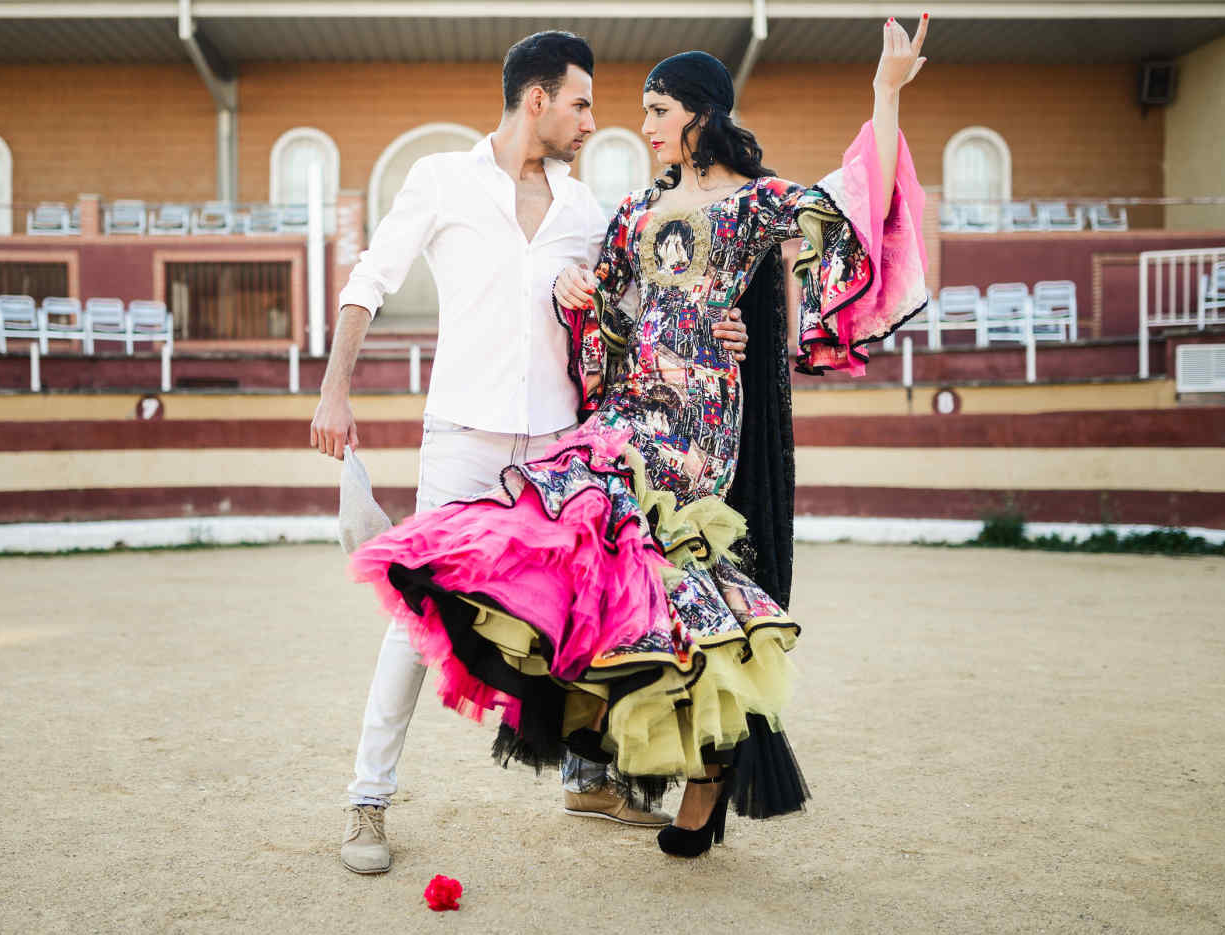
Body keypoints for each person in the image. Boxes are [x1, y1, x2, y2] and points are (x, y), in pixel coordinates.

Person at [351, 18, 931, 857]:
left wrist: (884, 92)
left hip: (699, 426)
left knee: (666, 583)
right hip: (624, 411)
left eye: (657, 110)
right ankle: (616, 748)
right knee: (579, 541)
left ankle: (690, 770)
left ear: (698, 114)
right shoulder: (634, 208)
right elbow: (604, 315)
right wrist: (579, 292)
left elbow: (854, 204)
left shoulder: (753, 205)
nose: (642, 125)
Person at [312, 31, 752, 875]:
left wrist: (729, 325)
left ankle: (589, 779)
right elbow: (370, 277)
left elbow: (641, 300)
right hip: (461, 441)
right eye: (582, 103)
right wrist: (336, 388)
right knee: (416, 620)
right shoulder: (442, 178)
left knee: (583, 619)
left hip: (558, 447)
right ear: (537, 99)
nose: (594, 121)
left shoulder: (584, 210)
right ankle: (367, 800)